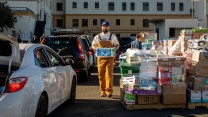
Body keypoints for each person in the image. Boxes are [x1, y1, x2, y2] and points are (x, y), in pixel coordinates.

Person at [91, 21, 119, 98]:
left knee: (109, 75)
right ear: (102, 27)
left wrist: (114, 49)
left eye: (106, 26)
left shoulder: (113, 37)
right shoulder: (97, 37)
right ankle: (102, 91)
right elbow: (93, 45)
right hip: (100, 59)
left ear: (108, 27)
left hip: (110, 59)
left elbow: (117, 45)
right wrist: (96, 49)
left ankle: (109, 91)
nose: (105, 27)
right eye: (103, 26)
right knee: (101, 75)